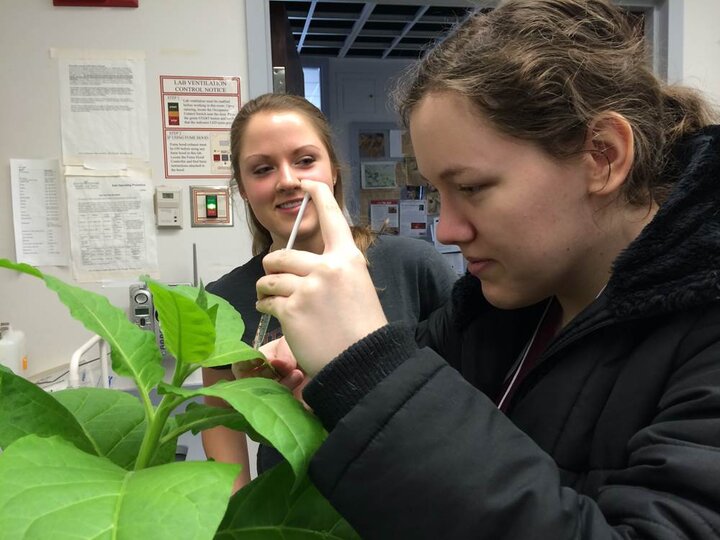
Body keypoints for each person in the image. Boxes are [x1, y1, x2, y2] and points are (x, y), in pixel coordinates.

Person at [255, 0, 720, 538]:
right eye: (436, 193)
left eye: (472, 188)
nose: (446, 230)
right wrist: (324, 372)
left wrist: (368, 369)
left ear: (603, 155)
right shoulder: (500, 308)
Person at [201, 93, 458, 492]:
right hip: (289, 512)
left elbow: (469, 392)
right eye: (263, 168)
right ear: (243, 188)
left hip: (413, 500)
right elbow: (220, 426)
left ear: (333, 172)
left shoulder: (415, 266)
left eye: (305, 161)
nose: (287, 180)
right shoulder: (223, 299)